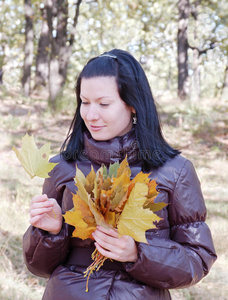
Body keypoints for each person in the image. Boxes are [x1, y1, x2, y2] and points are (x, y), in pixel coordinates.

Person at [23, 49, 217, 300]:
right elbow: (39, 267)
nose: (91, 115)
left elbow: (198, 259)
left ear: (133, 105)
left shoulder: (175, 171)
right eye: (85, 102)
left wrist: (138, 253)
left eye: (104, 104)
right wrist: (50, 233)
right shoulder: (61, 167)